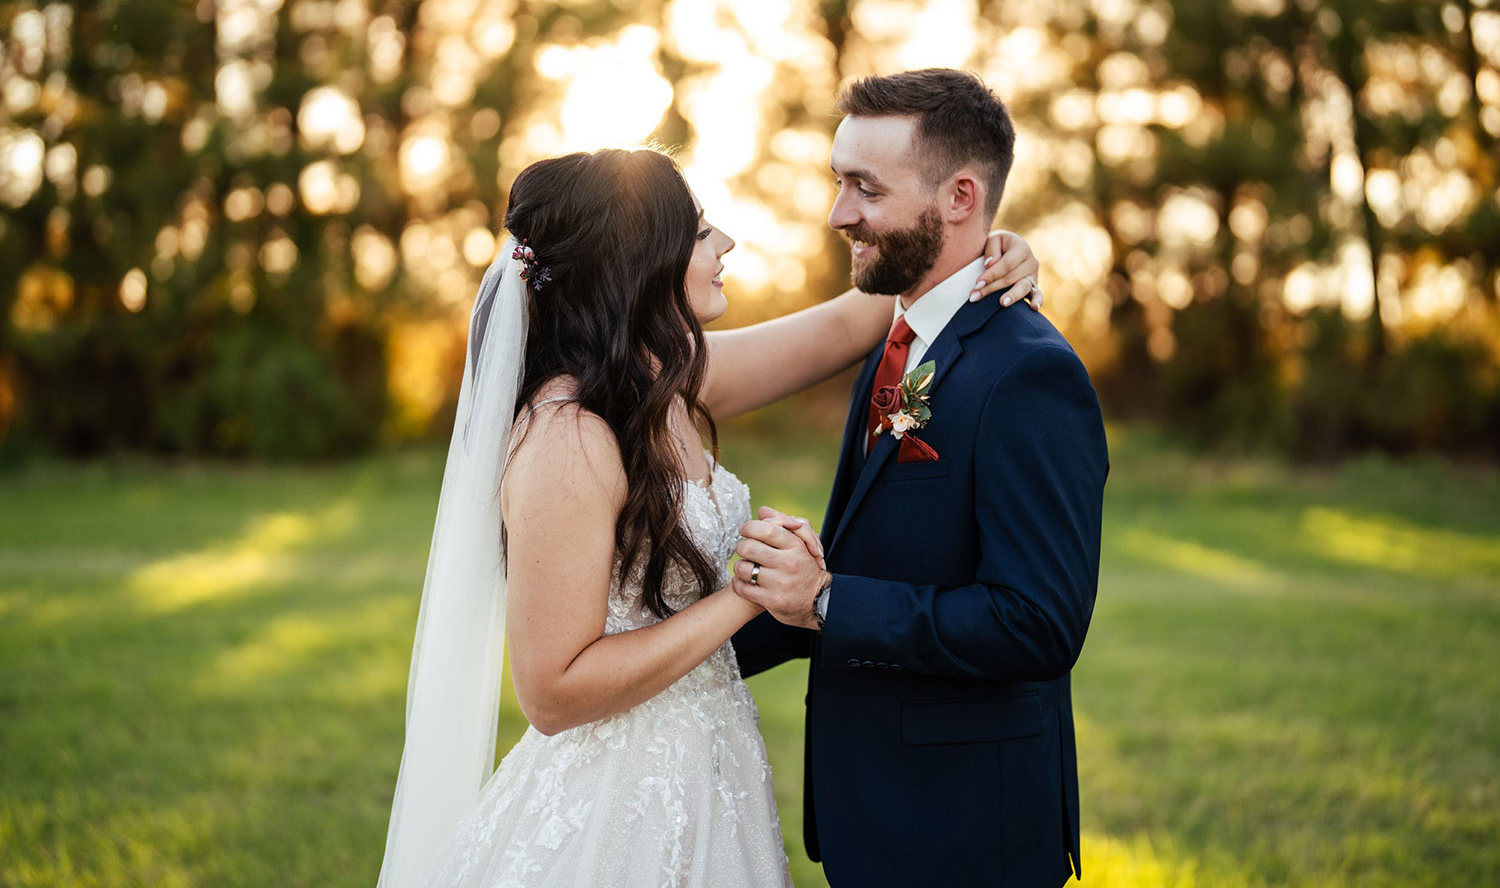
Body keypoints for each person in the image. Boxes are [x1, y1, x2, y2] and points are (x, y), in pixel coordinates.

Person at [375, 145, 1045, 888]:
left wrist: (988, 254)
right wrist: (747, 593)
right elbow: (553, 691)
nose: (725, 244)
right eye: (700, 232)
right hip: (616, 801)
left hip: (710, 767)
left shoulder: (662, 381)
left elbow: (841, 329)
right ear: (640, 257)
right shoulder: (568, 435)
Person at [730, 69, 1109, 888]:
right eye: (839, 183)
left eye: (865, 188)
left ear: (961, 196)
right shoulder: (895, 341)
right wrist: (679, 647)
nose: (839, 215)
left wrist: (825, 601)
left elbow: (1038, 624)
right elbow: (891, 558)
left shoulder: (1028, 377)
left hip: (967, 832)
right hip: (881, 817)